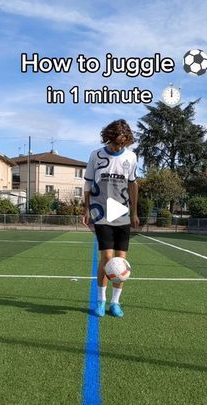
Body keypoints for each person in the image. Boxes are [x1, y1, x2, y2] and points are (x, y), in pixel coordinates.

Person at [83, 119, 139, 318]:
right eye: (115, 143)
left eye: (122, 144)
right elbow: (88, 184)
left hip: (122, 212)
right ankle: (101, 300)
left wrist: (134, 211)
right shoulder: (95, 155)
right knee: (107, 258)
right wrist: (86, 209)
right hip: (101, 212)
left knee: (121, 261)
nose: (118, 147)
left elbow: (132, 184)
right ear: (109, 138)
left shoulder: (131, 157)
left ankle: (115, 303)